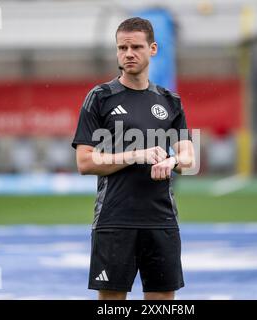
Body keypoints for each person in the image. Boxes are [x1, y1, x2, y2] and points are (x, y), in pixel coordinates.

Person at [71, 17, 195, 300]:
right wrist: (136, 154)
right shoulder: (99, 98)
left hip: (161, 220)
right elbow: (85, 162)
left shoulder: (169, 101)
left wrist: (172, 161)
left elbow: (188, 156)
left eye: (136, 47)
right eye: (122, 47)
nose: (128, 54)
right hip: (114, 220)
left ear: (152, 48)